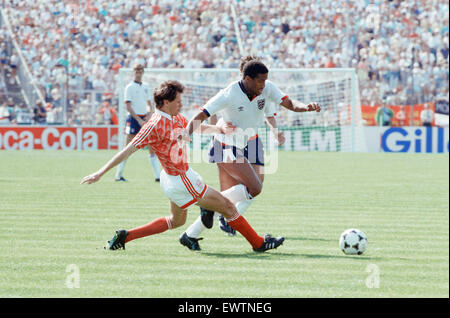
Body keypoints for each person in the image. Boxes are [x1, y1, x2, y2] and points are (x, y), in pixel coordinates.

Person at [80, 80, 284, 253]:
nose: (181, 104)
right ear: (166, 102)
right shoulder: (153, 125)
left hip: (173, 179)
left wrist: (219, 128)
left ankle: (125, 237)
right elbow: (126, 151)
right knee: (228, 207)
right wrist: (100, 173)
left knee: (175, 222)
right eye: (178, 101)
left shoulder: (176, 116)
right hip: (182, 180)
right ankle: (258, 243)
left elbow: (195, 127)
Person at [180, 58, 320, 247]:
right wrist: (186, 135)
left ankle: (191, 232)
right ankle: (209, 207)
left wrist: (306, 108)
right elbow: (201, 114)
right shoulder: (229, 93)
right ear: (247, 79)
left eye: (265, 80)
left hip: (247, 142)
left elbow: (290, 104)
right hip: (226, 144)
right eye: (259, 81)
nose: (263, 84)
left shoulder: (267, 88)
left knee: (245, 193)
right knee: (254, 189)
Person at [115, 64, 161, 182]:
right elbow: (128, 106)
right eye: (136, 71)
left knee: (152, 146)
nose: (138, 73)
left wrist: (149, 115)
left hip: (145, 119)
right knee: (127, 148)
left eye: (140, 71)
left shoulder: (146, 86)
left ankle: (157, 176)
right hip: (133, 119)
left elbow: (149, 103)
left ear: (143, 72)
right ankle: (118, 175)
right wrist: (138, 119)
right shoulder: (129, 87)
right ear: (133, 72)